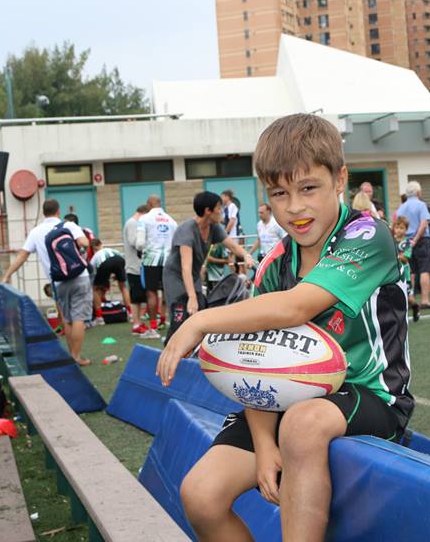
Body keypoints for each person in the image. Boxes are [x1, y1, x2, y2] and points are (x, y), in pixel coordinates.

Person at [160, 113, 412, 542]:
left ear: (340, 179)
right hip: (288, 396)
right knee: (201, 495)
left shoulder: (368, 236)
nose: (294, 207)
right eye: (279, 193)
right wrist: (263, 445)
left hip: (371, 394)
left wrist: (200, 320)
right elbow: (256, 362)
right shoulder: (275, 263)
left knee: (302, 423)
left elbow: (296, 307)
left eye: (308, 188)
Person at [3, 199, 93, 365]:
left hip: (58, 281)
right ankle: (76, 357)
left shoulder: (36, 232)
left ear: (43, 213)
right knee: (79, 317)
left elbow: (22, 255)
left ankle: (71, 356)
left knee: (67, 319)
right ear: (58, 211)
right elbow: (84, 243)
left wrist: (7, 275)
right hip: (80, 276)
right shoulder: (69, 225)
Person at [163, 191, 255, 343]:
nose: (222, 211)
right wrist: (191, 297)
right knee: (181, 312)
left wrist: (246, 255)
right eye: (219, 208)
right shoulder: (186, 231)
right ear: (208, 211)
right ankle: (170, 345)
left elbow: (233, 246)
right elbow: (186, 267)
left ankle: (194, 348)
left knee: (199, 310)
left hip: (193, 275)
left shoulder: (214, 227)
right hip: (176, 276)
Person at [136, 195, 178, 336]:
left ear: (149, 204)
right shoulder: (171, 220)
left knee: (151, 292)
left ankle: (153, 328)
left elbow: (140, 243)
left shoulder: (144, 219)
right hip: (169, 260)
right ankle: (170, 322)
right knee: (168, 292)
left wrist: (140, 251)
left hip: (151, 260)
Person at [396, 181, 430, 309]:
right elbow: (423, 224)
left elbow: (397, 224)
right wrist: (415, 239)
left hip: (405, 241)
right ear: (418, 192)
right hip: (421, 240)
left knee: (410, 271)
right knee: (425, 270)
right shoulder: (421, 205)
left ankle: (410, 298)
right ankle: (425, 300)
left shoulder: (401, 207)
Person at [88, 238, 133, 329]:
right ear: (101, 244)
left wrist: (99, 285)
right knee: (123, 287)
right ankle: (131, 314)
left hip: (104, 264)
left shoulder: (95, 257)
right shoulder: (112, 250)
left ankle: (99, 318)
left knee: (95, 290)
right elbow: (121, 261)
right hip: (119, 260)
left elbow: (93, 274)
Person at [123, 204, 150, 334]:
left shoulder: (135, 223)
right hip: (134, 266)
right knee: (135, 296)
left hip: (138, 265)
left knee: (139, 296)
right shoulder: (133, 223)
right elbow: (134, 242)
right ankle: (136, 323)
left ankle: (138, 321)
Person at [392, 216, 420, 322]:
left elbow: (405, 259)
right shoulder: (390, 241)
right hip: (393, 273)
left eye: (401, 228)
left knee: (409, 298)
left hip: (405, 275)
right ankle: (399, 318)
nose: (399, 230)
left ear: (406, 229)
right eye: (397, 227)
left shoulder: (407, 243)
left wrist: (394, 255)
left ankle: (415, 306)